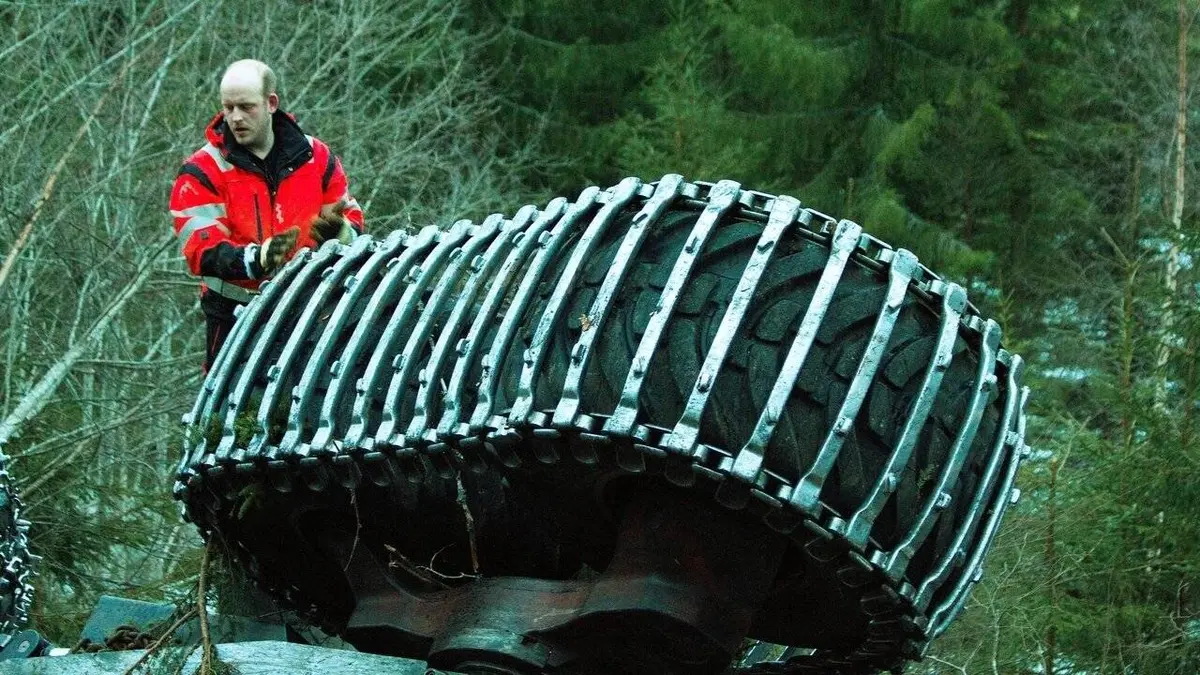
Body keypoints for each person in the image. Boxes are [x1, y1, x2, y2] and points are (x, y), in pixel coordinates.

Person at [170, 59, 364, 371]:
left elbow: (351, 220)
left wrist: (340, 233)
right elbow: (201, 249)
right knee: (232, 399)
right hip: (235, 314)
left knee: (314, 392)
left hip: (310, 307)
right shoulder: (202, 170)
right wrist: (255, 259)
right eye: (228, 107)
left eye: (246, 107)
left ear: (271, 103)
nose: (235, 117)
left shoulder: (315, 156)